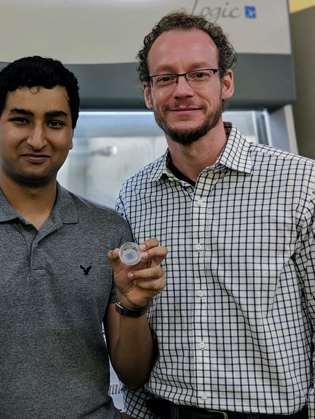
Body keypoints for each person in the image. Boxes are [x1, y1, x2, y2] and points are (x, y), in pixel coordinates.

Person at [0, 55, 167, 418]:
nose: (38, 139)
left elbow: (133, 376)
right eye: (21, 120)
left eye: (55, 123)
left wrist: (133, 308)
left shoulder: (109, 230)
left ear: (71, 133)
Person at [116, 11, 315, 419]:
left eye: (199, 74)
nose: (182, 90)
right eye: (165, 78)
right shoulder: (132, 197)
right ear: (148, 93)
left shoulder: (301, 183)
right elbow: (135, 317)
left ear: (225, 83)